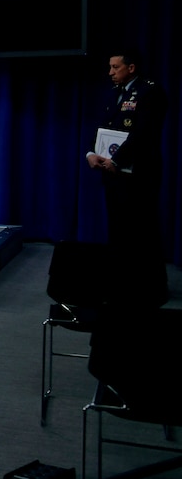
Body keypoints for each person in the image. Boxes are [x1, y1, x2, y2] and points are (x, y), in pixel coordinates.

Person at [85, 49, 168, 306]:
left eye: (115, 67)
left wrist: (118, 160)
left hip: (140, 174)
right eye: (110, 67)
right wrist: (91, 153)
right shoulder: (114, 94)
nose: (110, 73)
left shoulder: (150, 92)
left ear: (131, 68)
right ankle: (122, 284)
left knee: (143, 229)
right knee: (119, 229)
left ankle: (152, 288)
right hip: (113, 175)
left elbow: (145, 133)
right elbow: (103, 128)